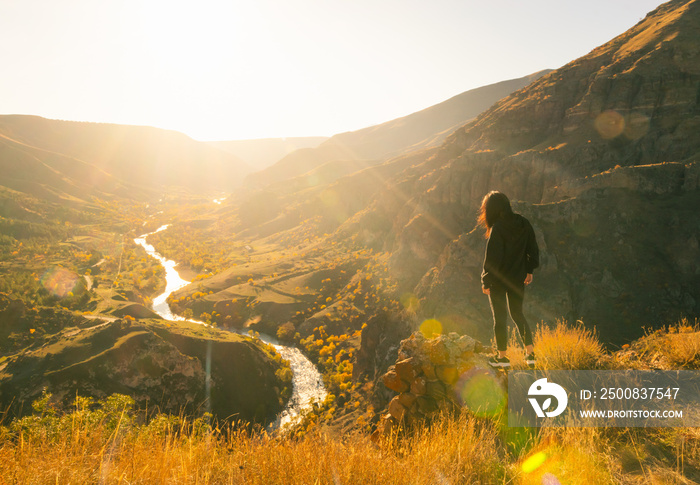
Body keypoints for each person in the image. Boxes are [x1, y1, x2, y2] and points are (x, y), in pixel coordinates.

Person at [478, 191, 539, 369]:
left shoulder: (497, 227)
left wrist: (485, 281)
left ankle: (502, 358)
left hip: (498, 280)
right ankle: (530, 355)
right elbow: (533, 249)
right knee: (518, 314)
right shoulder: (523, 223)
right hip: (518, 278)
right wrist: (529, 270)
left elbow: (492, 259)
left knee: (500, 318)